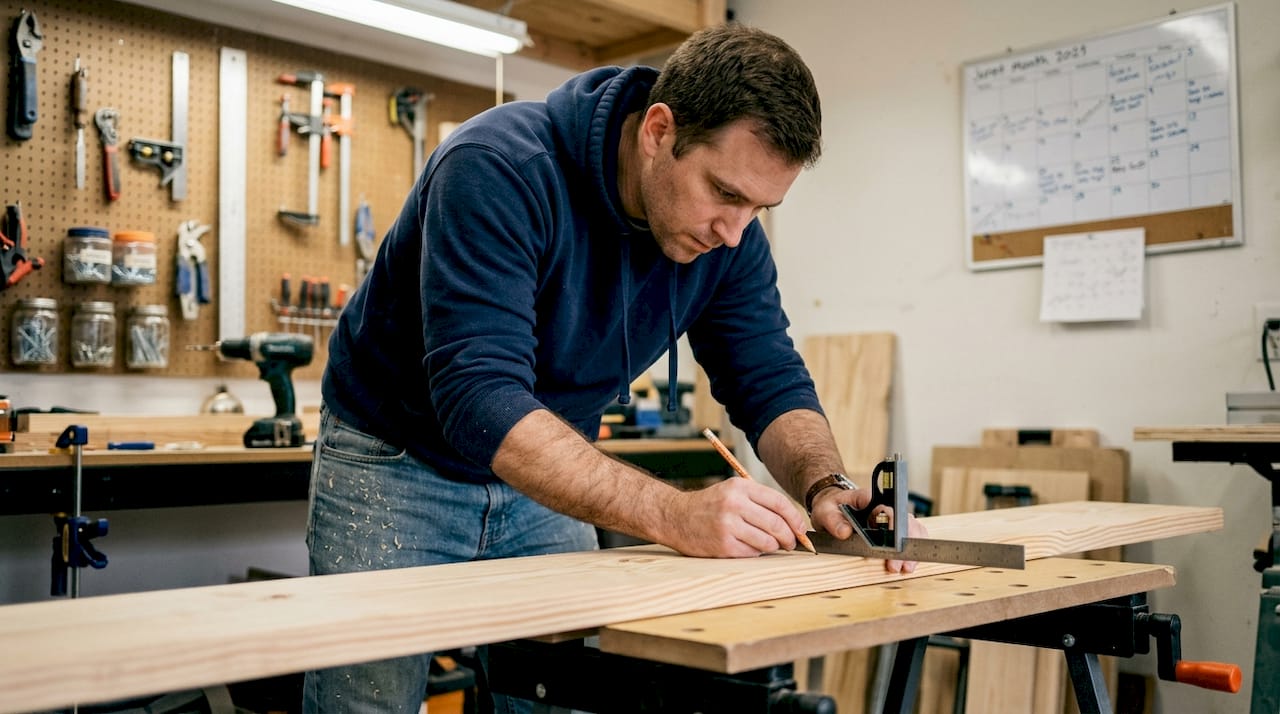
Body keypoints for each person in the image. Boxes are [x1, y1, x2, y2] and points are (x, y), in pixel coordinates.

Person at [304, 21, 921, 714]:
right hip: (396, 461)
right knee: (367, 702)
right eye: (724, 193)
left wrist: (825, 484)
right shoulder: (498, 166)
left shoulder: (729, 238)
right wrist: (675, 513)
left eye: (760, 207)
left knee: (559, 696)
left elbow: (767, 375)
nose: (735, 231)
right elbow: (479, 399)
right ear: (658, 130)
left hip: (547, 473)